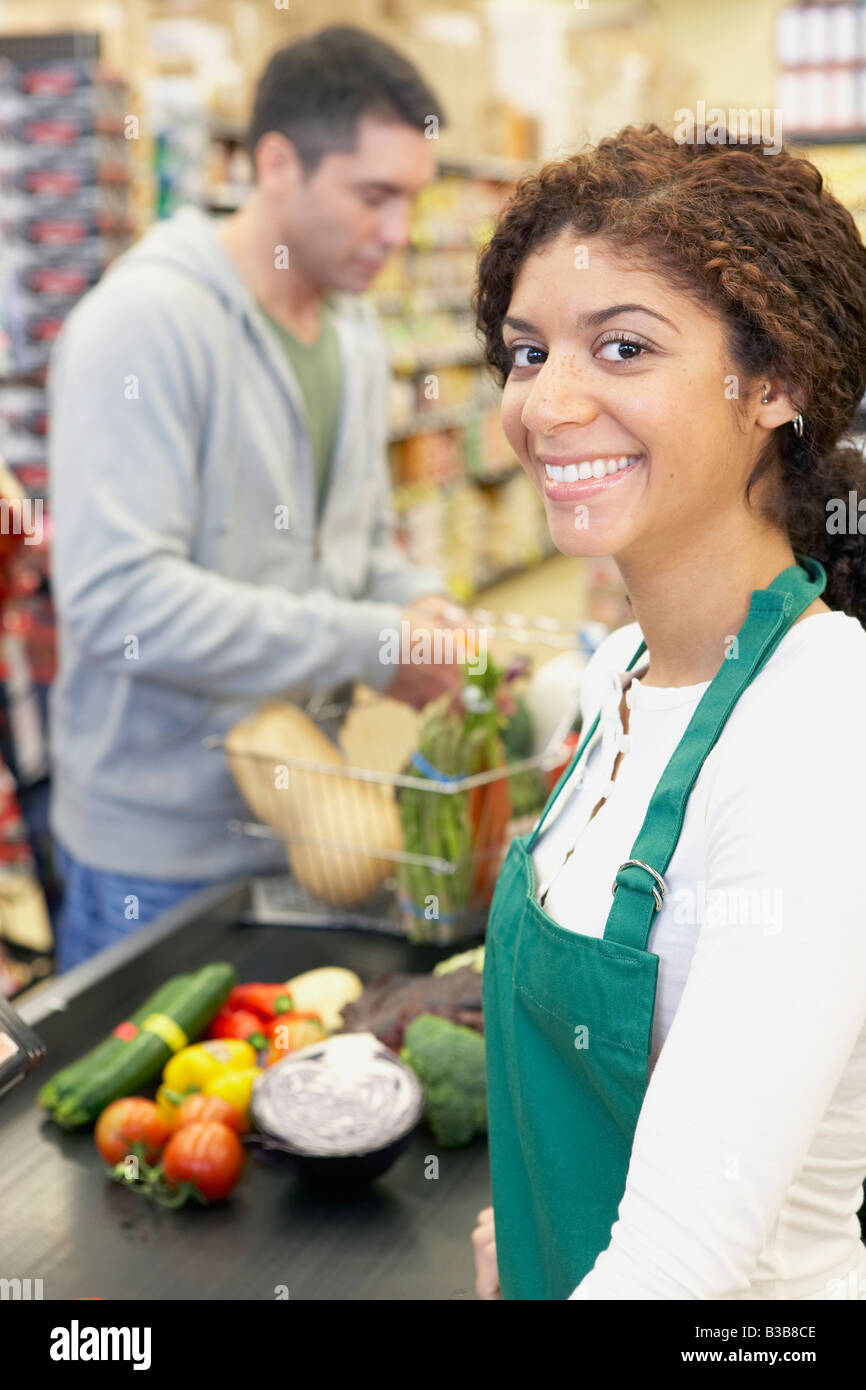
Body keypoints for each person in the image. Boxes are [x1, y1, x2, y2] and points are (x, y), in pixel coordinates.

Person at [471, 123, 866, 1300]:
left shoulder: (814, 732)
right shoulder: (620, 678)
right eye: (528, 351)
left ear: (777, 381)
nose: (547, 406)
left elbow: (675, 1266)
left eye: (623, 347)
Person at [48, 26, 470, 972]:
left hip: (307, 823)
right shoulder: (145, 323)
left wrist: (418, 605)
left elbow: (352, 552)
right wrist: (372, 643)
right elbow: (120, 602)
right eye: (375, 196)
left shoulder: (352, 331)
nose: (398, 233)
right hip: (159, 860)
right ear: (276, 163)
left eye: (413, 198)